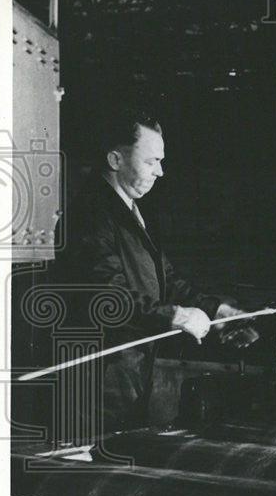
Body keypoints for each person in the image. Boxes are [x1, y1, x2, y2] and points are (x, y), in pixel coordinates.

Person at [55, 109, 247, 435]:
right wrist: (175, 316)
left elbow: (165, 280)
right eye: (150, 161)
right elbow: (105, 296)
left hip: (127, 378)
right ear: (116, 160)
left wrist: (216, 310)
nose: (160, 172)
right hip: (96, 385)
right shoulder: (91, 215)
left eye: (160, 161)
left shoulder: (130, 211)